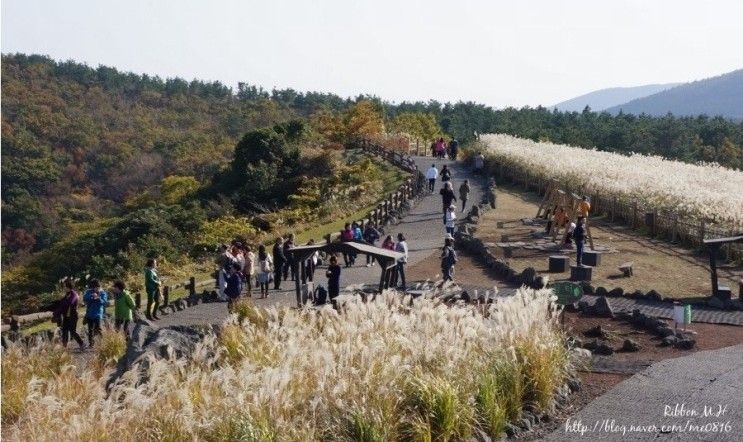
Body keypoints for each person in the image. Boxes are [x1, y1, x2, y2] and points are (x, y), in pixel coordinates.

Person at [54, 278, 85, 350]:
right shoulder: (66, 295)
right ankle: (64, 347)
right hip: (66, 317)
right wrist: (56, 313)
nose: (64, 288)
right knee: (64, 331)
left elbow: (70, 302)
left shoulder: (74, 294)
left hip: (73, 316)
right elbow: (61, 305)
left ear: (69, 287)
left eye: (65, 286)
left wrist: (63, 302)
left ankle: (82, 344)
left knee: (72, 331)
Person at [83, 279, 108, 347]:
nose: (96, 288)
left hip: (98, 314)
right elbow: (85, 298)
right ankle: (91, 344)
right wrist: (92, 296)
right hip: (90, 314)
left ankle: (101, 343)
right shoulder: (89, 292)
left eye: (98, 287)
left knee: (99, 329)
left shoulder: (103, 293)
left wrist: (98, 298)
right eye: (95, 287)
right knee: (90, 330)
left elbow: (104, 302)